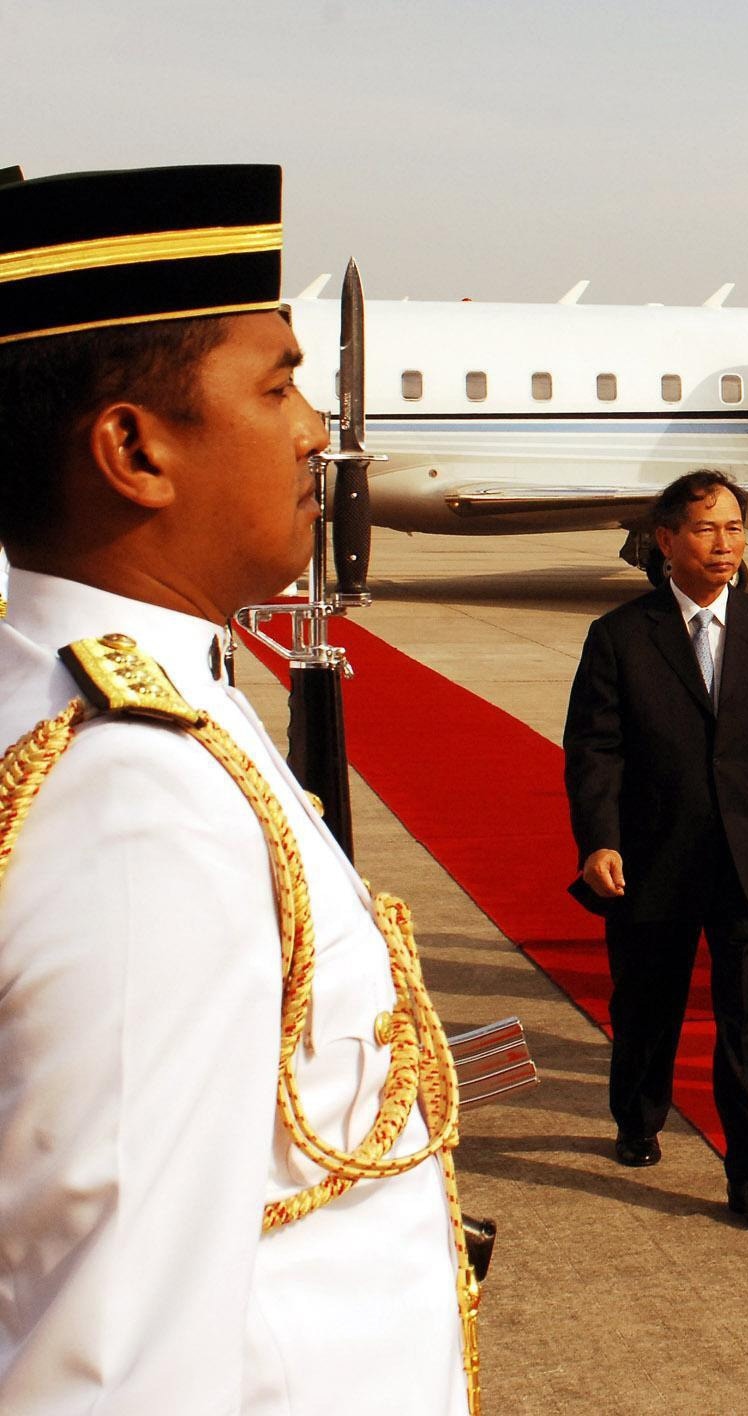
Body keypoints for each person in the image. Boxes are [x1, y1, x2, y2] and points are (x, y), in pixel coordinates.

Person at [0, 163, 471, 1409]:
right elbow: (110, 1363)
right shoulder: (133, 801)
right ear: (135, 450)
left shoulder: (114, 699)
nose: (317, 429)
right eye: (277, 385)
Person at [564, 471, 748, 1222]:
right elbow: (594, 750)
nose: (724, 543)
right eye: (705, 529)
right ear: (665, 541)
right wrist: (600, 840)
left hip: (744, 861)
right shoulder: (620, 636)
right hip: (651, 858)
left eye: (734, 528)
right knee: (646, 1004)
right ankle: (638, 1115)